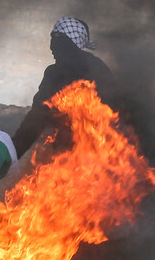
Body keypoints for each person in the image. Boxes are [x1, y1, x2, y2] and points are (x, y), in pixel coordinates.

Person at [11, 17, 115, 158]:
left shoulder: (63, 72)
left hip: (90, 153)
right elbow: (37, 117)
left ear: (73, 42)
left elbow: (38, 117)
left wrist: (15, 150)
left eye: (59, 39)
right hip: (84, 155)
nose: (51, 47)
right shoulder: (96, 66)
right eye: (52, 38)